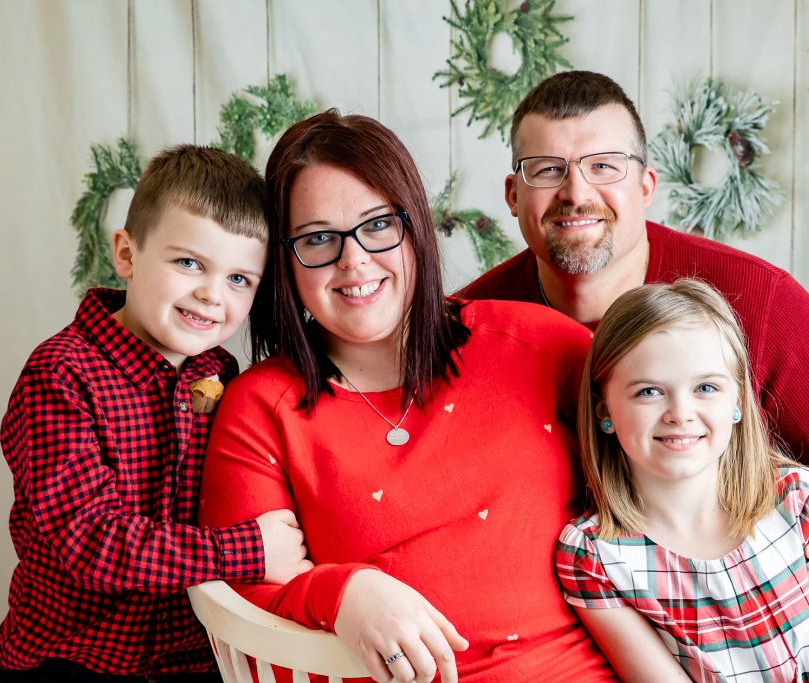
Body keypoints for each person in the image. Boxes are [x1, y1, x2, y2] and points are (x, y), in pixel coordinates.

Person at [458, 70, 809, 647]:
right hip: (562, 633)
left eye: (605, 166)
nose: (576, 192)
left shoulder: (754, 298)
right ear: (512, 194)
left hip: (748, 629)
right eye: (548, 170)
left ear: (646, 185)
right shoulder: (468, 329)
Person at [197, 110, 618, 683]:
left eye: (377, 226)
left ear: (414, 226)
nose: (353, 260)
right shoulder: (261, 407)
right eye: (317, 238)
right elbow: (241, 604)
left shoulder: (541, 346)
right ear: (285, 263)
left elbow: (677, 488)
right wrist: (344, 593)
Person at [0, 145, 311, 682]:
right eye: (189, 263)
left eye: (239, 279)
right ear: (127, 254)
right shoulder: (61, 375)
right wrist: (249, 550)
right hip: (73, 660)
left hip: (193, 660)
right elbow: (90, 542)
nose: (211, 295)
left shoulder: (220, 372)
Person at [556, 279, 809, 682]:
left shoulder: (797, 498)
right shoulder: (595, 556)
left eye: (705, 387)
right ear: (605, 410)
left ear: (737, 400)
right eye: (649, 392)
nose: (680, 413)